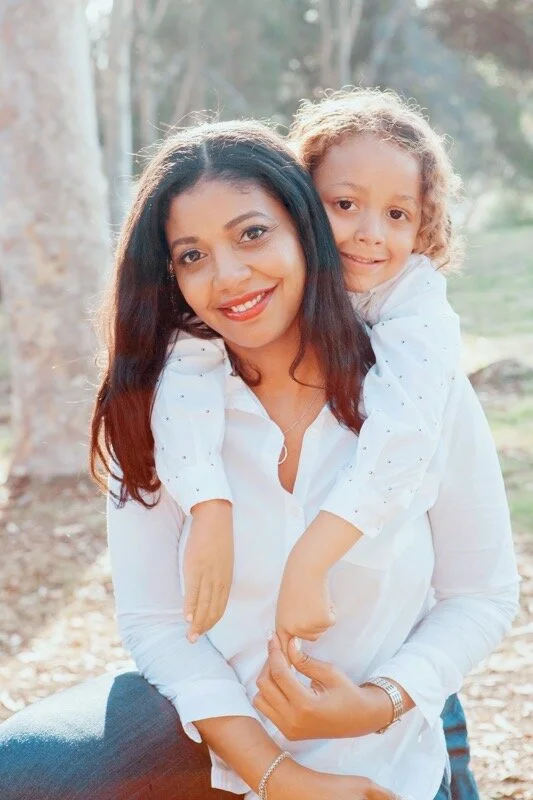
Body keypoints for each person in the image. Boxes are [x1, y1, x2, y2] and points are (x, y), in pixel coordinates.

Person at [0, 120, 518, 800]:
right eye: (192, 255)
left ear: (305, 228)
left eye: (251, 234)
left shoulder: (416, 393)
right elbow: (157, 624)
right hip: (219, 738)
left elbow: (478, 596)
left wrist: (379, 702)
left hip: (387, 743)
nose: (229, 276)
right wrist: (278, 776)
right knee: (24, 771)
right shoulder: (160, 408)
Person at [146, 89, 479, 795]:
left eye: (398, 214)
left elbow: (475, 587)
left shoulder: (414, 331)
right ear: (303, 203)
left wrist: (312, 565)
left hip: (402, 724)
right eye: (344, 204)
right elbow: (154, 623)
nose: (369, 235)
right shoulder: (184, 372)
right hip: (241, 745)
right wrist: (208, 504)